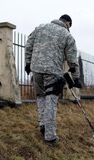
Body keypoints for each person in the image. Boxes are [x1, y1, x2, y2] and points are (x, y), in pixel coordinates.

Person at [24, 14, 82, 144]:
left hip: (36, 70)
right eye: (70, 26)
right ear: (68, 23)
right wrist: (76, 78)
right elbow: (72, 60)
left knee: (41, 97)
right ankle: (50, 136)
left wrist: (27, 63)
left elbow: (28, 46)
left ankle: (43, 125)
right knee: (51, 100)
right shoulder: (67, 35)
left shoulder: (40, 28)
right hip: (53, 73)